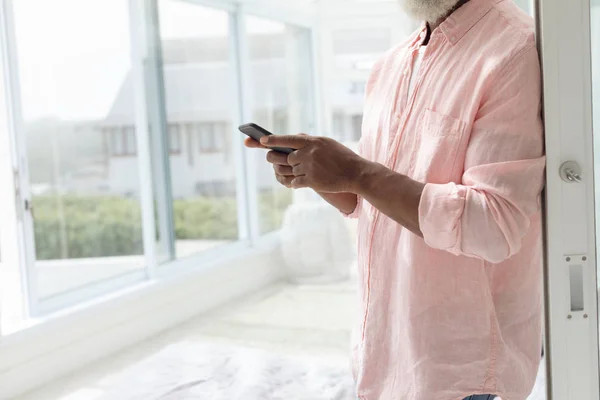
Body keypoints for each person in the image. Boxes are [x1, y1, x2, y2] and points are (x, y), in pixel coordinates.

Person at [245, 0, 545, 398]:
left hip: (459, 371)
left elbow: (494, 225)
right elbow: (367, 199)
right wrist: (319, 174)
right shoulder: (390, 65)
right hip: (383, 353)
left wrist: (357, 172)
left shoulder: (514, 48)